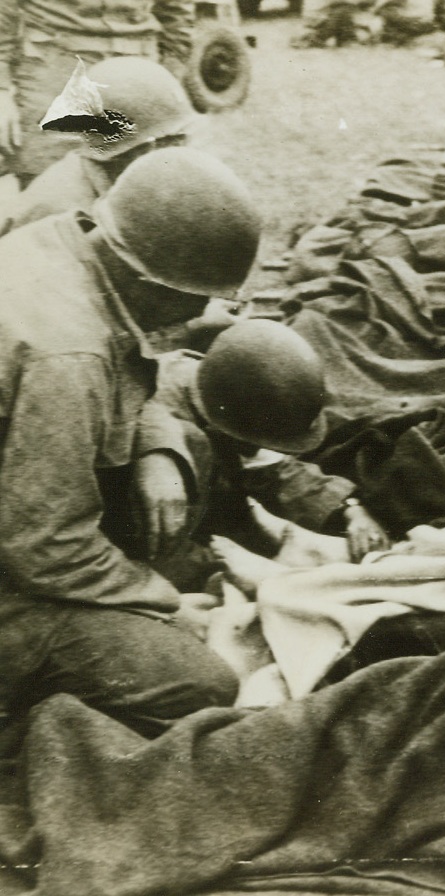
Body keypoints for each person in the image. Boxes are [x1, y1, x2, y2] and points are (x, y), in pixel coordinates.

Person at [0, 147, 262, 763]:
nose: (204, 312)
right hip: (17, 569)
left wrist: (153, 448)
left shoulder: (62, 242)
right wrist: (161, 604)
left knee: (185, 484)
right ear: (148, 280)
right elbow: (45, 549)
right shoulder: (69, 359)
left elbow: (117, 355)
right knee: (202, 683)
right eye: (195, 297)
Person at [138, 319, 391, 567]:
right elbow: (161, 552)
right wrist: (263, 565)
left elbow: (276, 470)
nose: (260, 448)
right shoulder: (161, 434)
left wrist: (351, 510)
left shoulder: (223, 391)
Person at [0, 0, 194, 185]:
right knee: (49, 182)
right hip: (56, 69)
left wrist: (170, 77)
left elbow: (177, 15)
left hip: (138, 73)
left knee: (144, 182)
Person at [0, 56, 198, 237]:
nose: (185, 148)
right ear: (147, 148)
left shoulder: (113, 177)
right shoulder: (63, 213)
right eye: (176, 140)